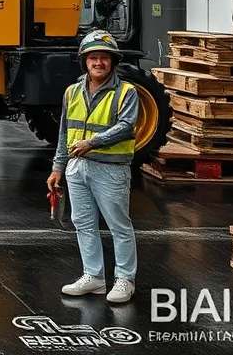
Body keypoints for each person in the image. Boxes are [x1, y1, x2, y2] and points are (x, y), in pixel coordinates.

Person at [46, 29, 139, 304]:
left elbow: (125, 126)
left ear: (113, 61)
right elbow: (64, 132)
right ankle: (94, 277)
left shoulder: (127, 92)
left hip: (110, 169)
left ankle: (125, 279)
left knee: (118, 225)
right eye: (93, 58)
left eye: (104, 58)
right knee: (83, 223)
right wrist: (57, 167)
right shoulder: (72, 92)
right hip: (77, 168)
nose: (98, 63)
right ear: (84, 61)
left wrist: (93, 142)